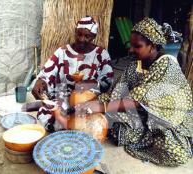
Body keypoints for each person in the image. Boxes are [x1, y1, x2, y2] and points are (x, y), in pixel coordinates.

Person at [75, 17, 193, 166]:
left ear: (152, 46)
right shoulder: (135, 65)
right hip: (144, 111)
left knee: (173, 151)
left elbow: (136, 102)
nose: (131, 50)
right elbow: (118, 91)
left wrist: (101, 107)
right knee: (116, 126)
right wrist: (94, 102)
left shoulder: (167, 66)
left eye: (137, 46)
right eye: (131, 45)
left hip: (169, 116)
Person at [32, 16, 114, 131]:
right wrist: (41, 82)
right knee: (51, 116)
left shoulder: (101, 54)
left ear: (94, 37)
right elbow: (47, 72)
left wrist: (89, 84)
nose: (81, 39)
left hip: (87, 100)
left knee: (89, 122)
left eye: (87, 36)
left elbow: (108, 81)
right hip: (62, 95)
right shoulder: (62, 52)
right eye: (79, 34)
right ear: (75, 33)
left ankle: (73, 125)